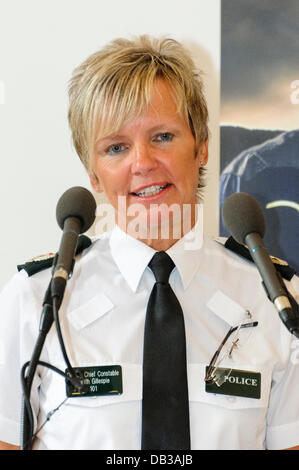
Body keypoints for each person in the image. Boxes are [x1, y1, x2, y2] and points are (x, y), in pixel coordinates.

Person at [0, 35, 299, 450]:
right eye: (116, 147)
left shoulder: (276, 301)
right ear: (94, 176)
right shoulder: (35, 300)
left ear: (202, 147)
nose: (142, 163)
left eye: (162, 137)